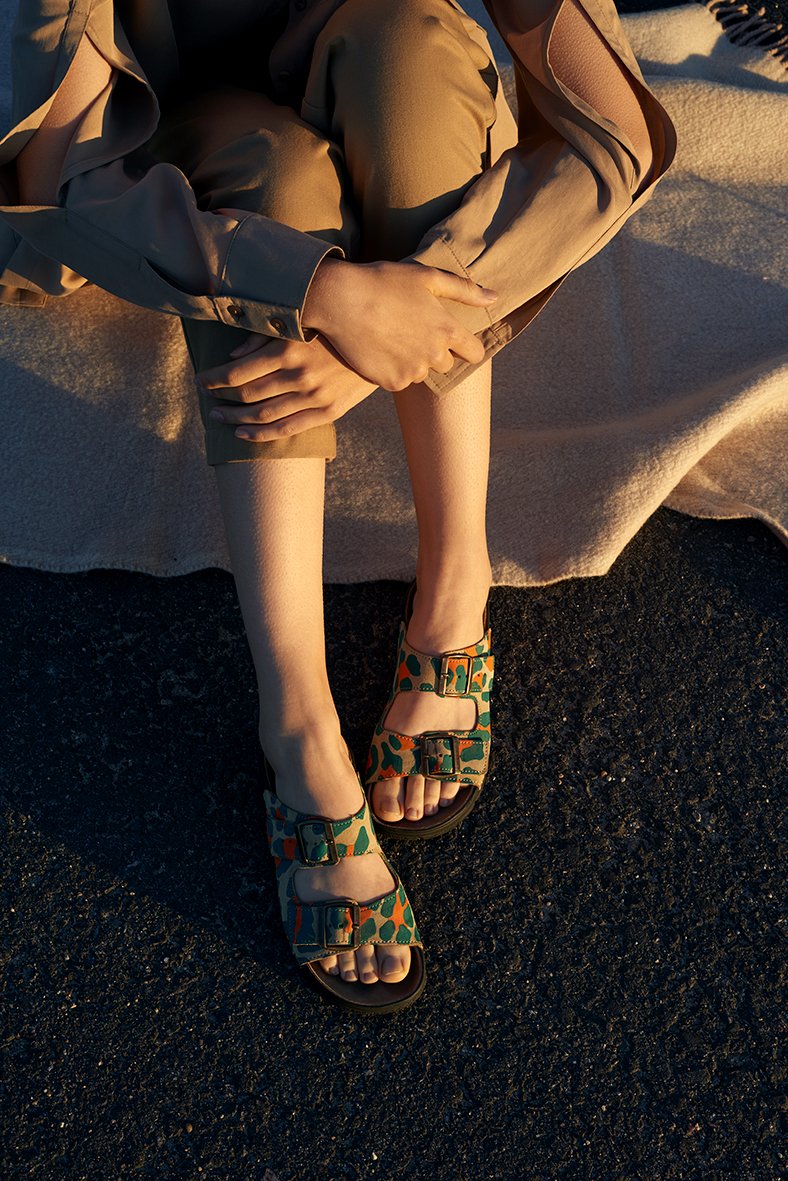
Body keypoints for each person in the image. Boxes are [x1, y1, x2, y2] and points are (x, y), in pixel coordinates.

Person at [0, 0, 677, 1012]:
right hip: (168, 118)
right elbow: (69, 180)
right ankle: (299, 727)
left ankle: (455, 585)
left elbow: (614, 136)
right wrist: (324, 299)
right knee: (276, 182)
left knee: (412, 63)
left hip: (355, 46)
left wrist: (395, 330)